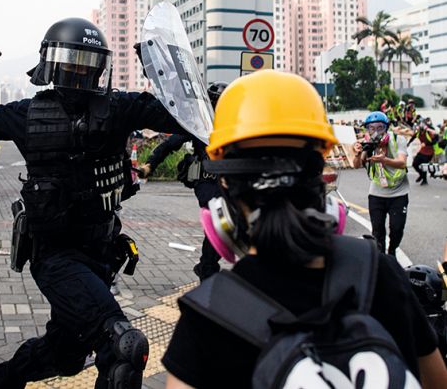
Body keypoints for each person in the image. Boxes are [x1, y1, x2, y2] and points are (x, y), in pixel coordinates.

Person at [0, 19, 187, 389]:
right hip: (55, 256)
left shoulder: (119, 107)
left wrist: (174, 78)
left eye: (87, 61)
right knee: (122, 347)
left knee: (66, 355)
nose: (78, 69)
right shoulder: (25, 114)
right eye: (71, 59)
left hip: (102, 253)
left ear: (100, 67)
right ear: (52, 63)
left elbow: (181, 117)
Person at [162, 70, 447, 388]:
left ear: (225, 186)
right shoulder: (376, 271)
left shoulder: (207, 315)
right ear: (319, 171)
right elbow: (436, 380)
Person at [141, 82, 227, 282]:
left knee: (224, 227)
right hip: (206, 183)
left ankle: (206, 265)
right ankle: (207, 270)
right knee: (217, 223)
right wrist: (150, 165)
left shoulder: (233, 124)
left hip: (226, 183)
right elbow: (169, 145)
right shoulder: (199, 125)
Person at [352, 111, 409, 256]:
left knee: (397, 229)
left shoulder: (397, 140)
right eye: (372, 128)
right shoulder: (368, 143)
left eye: (380, 127)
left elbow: (402, 162)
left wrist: (384, 160)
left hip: (399, 192)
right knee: (377, 230)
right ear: (367, 129)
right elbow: (356, 165)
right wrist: (358, 153)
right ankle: (382, 258)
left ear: (386, 128)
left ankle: (392, 251)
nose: (376, 132)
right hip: (377, 193)